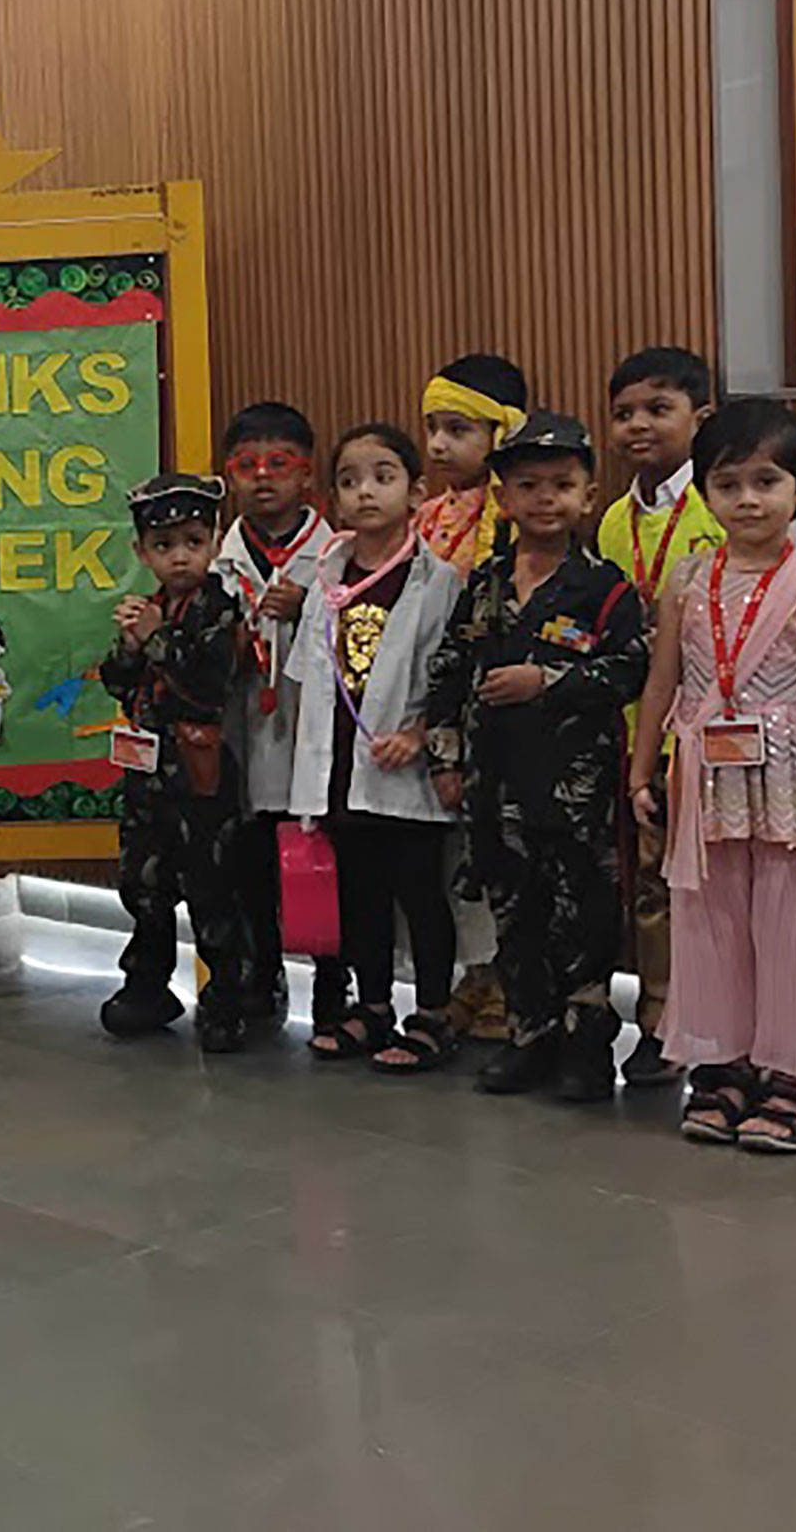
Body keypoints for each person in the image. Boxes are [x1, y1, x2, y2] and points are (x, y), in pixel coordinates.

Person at [630, 400, 796, 1153]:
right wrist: (640, 771)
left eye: (767, 482)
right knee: (711, 922)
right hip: (705, 777)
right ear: (705, 491)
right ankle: (725, 1065)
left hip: (795, 779)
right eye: (728, 483)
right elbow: (661, 683)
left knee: (794, 921)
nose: (748, 500)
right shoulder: (685, 581)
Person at [427, 414, 649, 1102]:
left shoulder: (605, 588)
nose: (545, 498)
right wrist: (445, 759)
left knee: (583, 921)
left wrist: (547, 681)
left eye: (561, 484)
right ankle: (530, 1035)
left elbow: (633, 669)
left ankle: (586, 1048)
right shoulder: (486, 583)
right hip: (495, 788)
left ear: (588, 495)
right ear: (503, 498)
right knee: (514, 918)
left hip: (573, 794)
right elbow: (448, 671)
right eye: (527, 485)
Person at [286, 425, 462, 1068]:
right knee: (358, 892)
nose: (366, 492)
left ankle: (434, 1013)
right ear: (333, 499)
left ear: (415, 492)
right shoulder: (328, 578)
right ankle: (374, 1006)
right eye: (350, 481)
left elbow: (453, 677)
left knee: (418, 891)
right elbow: (308, 676)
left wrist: (420, 735)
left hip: (404, 766)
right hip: (340, 766)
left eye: (383, 477)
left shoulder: (437, 581)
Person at [598, 346, 722, 1086]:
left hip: (709, 726)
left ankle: (726, 1030)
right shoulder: (613, 520)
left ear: (700, 418)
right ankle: (659, 1019)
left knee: (714, 883)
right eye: (623, 414)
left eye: (658, 409)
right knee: (649, 880)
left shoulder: (722, 504)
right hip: (632, 724)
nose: (638, 425)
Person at [100, 474, 253, 1049]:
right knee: (144, 884)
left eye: (193, 541)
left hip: (198, 772)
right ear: (142, 552)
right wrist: (130, 647)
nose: (180, 557)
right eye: (163, 545)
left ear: (215, 541)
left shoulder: (219, 608)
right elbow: (120, 685)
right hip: (147, 772)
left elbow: (209, 684)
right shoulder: (152, 607)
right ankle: (147, 986)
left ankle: (226, 998)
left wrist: (157, 638)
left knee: (211, 887)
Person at [415, 352, 529, 1043]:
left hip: (505, 707)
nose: (437, 445)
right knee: (453, 853)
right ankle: (476, 972)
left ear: (502, 432)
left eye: (457, 429)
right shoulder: (424, 517)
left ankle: (514, 979)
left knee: (503, 846)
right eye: (431, 427)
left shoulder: (521, 516)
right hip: (439, 708)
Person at [212, 402, 329, 1024]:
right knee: (250, 864)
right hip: (245, 736)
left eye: (279, 463)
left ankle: (335, 986)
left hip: (313, 738)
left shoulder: (336, 556)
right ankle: (263, 973)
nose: (262, 477)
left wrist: (311, 608)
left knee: (324, 865)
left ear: (306, 473)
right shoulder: (216, 560)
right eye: (246, 464)